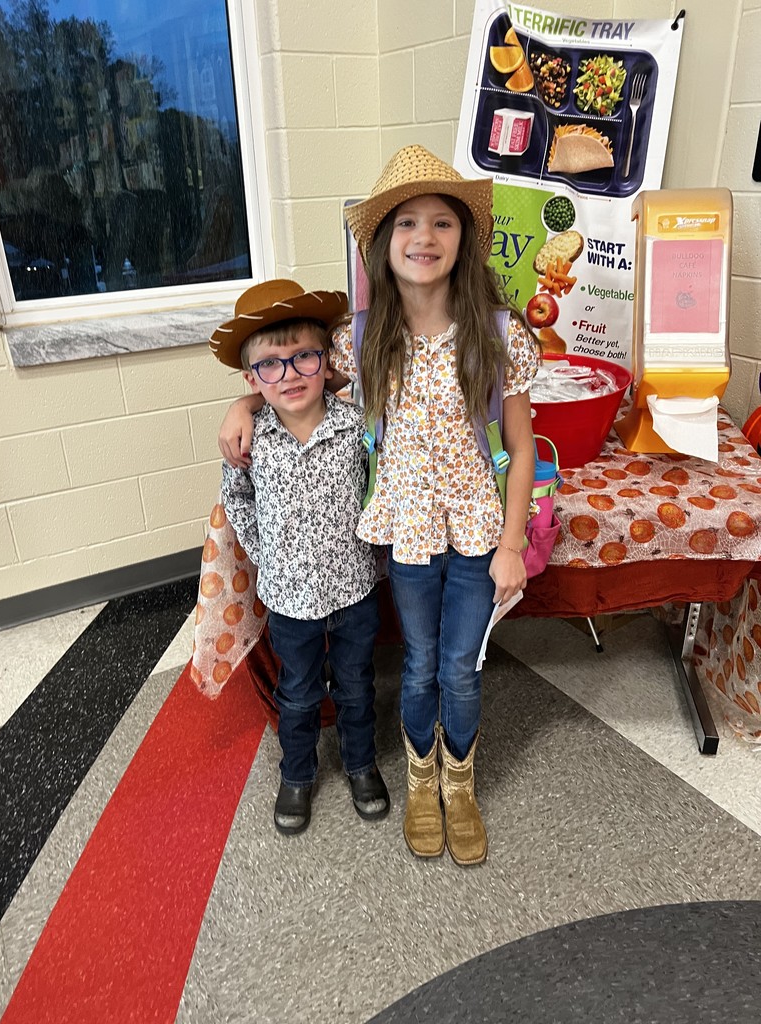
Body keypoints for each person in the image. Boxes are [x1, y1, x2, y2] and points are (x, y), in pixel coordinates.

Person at [218, 147, 537, 866]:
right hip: (407, 533)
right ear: (385, 246)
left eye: (442, 223)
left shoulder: (498, 331)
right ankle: (422, 782)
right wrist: (243, 400)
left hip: (480, 529)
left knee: (461, 666)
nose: (424, 239)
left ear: (464, 239)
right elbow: (286, 376)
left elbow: (522, 446)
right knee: (420, 662)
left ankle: (460, 783)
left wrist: (513, 542)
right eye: (408, 225)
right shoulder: (359, 340)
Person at [209, 279, 390, 837]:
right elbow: (236, 497)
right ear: (251, 378)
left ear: (325, 362)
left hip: (355, 585)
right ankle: (297, 773)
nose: (288, 374)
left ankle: (360, 764)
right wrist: (268, 553)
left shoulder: (356, 423)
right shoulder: (251, 438)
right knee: (300, 689)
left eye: (303, 358)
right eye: (270, 365)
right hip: (290, 597)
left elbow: (380, 483)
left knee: (358, 682)